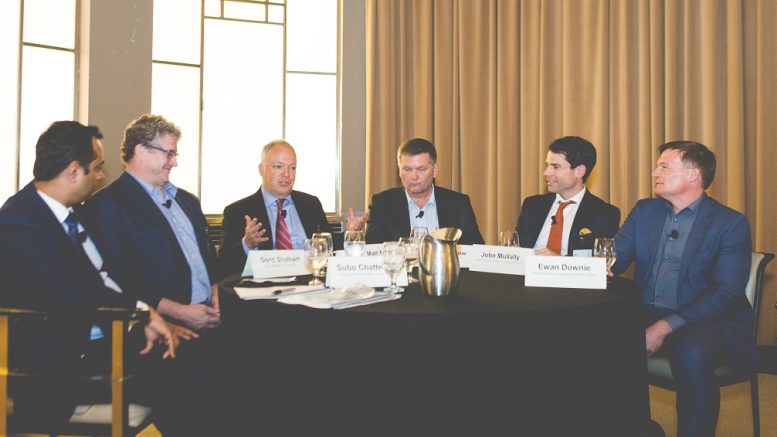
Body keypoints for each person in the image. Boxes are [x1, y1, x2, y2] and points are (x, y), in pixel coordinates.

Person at [0, 121, 176, 429]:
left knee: (208, 364)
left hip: (106, 343)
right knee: (189, 383)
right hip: (62, 369)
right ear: (72, 172)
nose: (100, 177)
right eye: (96, 168)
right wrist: (139, 312)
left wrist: (145, 315)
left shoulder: (74, 215)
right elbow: (65, 293)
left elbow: (108, 277)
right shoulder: (18, 223)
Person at [83, 114, 220, 436]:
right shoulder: (108, 205)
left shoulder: (186, 200)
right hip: (159, 331)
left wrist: (213, 289)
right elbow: (118, 277)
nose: (174, 162)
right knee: (185, 416)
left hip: (208, 322)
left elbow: (206, 255)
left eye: (175, 154)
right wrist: (176, 312)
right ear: (141, 151)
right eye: (168, 153)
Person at [612, 141, 755, 437]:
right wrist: (570, 263)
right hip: (648, 310)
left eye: (664, 166)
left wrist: (664, 326)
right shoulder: (645, 211)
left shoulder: (730, 223)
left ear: (693, 176)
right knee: (589, 335)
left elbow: (726, 293)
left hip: (708, 318)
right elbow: (613, 258)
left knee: (691, 354)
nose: (654, 173)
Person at [218, 139, 335, 279]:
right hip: (266, 291)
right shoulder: (237, 211)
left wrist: (351, 235)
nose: (286, 174)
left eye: (292, 167)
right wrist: (247, 243)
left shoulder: (310, 204)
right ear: (261, 169)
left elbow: (330, 248)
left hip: (311, 284)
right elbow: (223, 267)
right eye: (278, 166)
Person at [365, 138, 484, 245]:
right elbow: (373, 250)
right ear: (399, 170)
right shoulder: (382, 204)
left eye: (421, 169)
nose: (414, 176)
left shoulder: (458, 204)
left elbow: (475, 250)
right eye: (407, 169)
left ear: (435, 170)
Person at [516, 136, 620, 255]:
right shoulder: (532, 206)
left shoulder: (604, 214)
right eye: (547, 165)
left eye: (555, 167)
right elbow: (516, 252)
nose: (546, 173)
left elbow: (601, 264)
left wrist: (561, 262)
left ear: (579, 171)